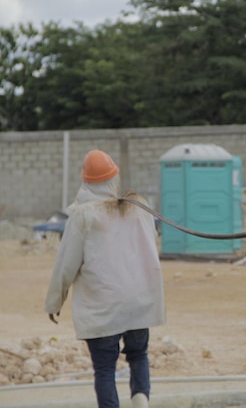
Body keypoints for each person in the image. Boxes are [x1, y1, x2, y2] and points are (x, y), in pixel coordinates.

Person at [45, 149, 165, 408]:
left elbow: (66, 265)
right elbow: (150, 253)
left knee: (104, 369)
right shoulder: (139, 208)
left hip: (101, 306)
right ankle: (141, 401)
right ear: (113, 178)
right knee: (138, 355)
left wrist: (54, 302)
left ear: (86, 181)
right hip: (138, 300)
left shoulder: (82, 215)